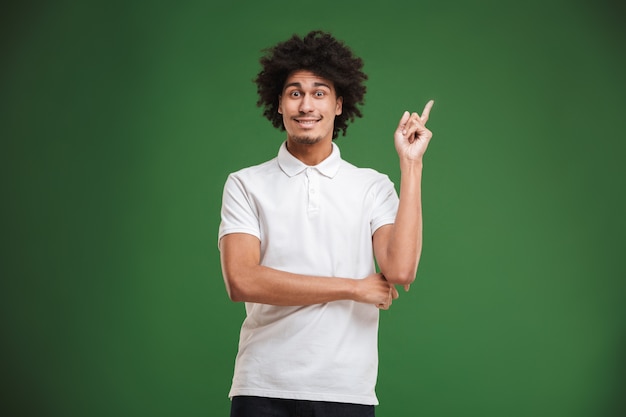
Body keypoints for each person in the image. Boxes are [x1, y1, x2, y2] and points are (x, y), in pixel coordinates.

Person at [218, 30, 434, 417]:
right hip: (262, 387)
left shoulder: (372, 186)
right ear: (279, 104)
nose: (306, 105)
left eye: (319, 93)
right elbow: (242, 280)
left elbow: (400, 270)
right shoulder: (245, 184)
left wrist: (411, 164)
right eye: (294, 92)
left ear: (338, 104)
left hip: (346, 391)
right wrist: (353, 288)